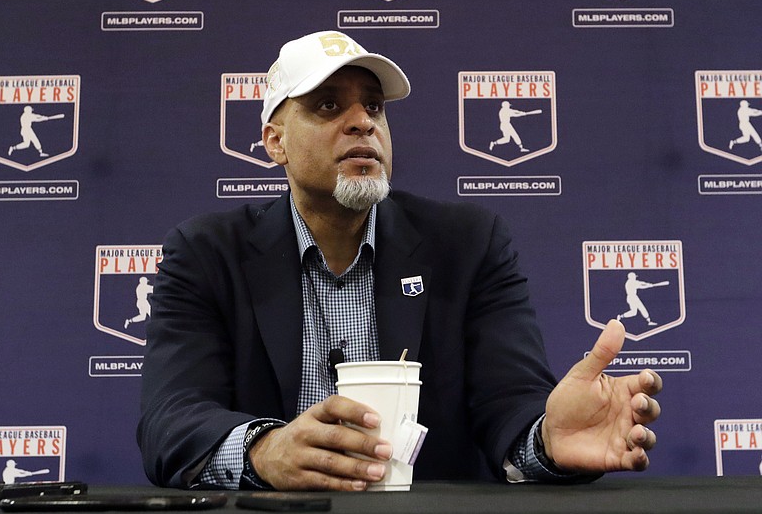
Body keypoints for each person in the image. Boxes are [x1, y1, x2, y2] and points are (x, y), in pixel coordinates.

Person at [138, 30, 662, 491]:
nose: (362, 123)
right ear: (276, 142)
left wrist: (547, 440)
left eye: (374, 107)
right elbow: (172, 420)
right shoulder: (206, 252)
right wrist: (264, 451)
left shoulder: (469, 244)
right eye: (327, 106)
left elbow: (510, 399)